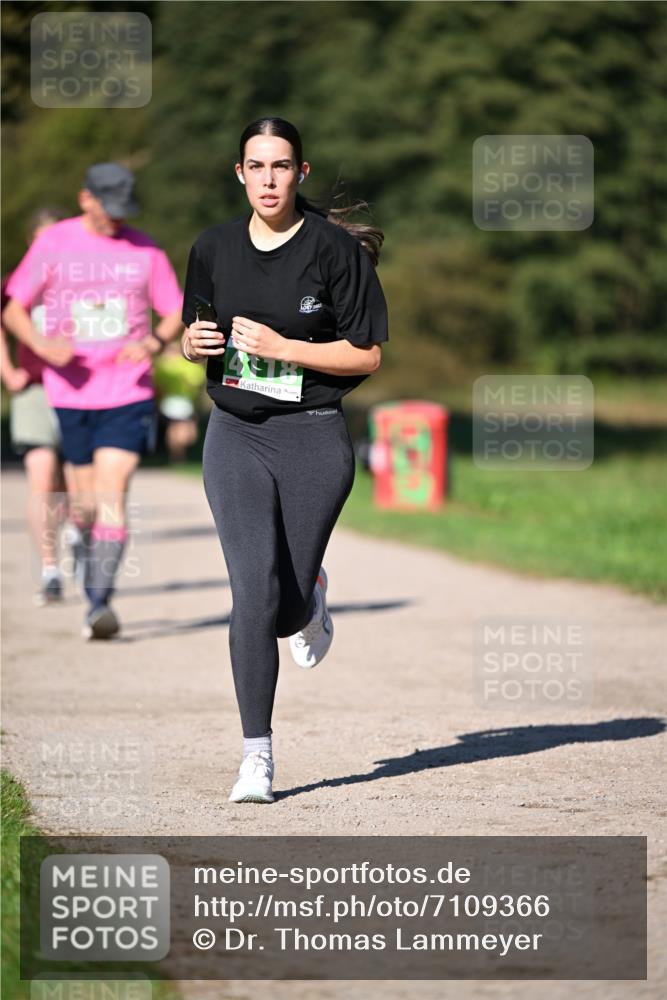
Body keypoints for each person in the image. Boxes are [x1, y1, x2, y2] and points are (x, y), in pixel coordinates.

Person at [181, 116, 388, 804]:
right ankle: (256, 758)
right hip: (235, 433)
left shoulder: (334, 253)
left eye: (280, 167)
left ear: (299, 174)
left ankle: (312, 595)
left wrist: (283, 347)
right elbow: (192, 331)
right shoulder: (211, 247)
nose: (267, 179)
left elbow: (365, 354)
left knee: (284, 605)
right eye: (254, 166)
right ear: (238, 174)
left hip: (313, 434)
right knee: (252, 594)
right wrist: (192, 345)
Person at [3, 163, 184, 639]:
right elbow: (13, 306)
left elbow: (175, 309)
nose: (117, 221)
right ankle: (87, 558)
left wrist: (151, 343)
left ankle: (99, 603)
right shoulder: (55, 243)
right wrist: (41, 346)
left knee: (112, 491)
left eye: (125, 211)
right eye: (109, 210)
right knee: (82, 502)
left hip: (128, 389)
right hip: (70, 391)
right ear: (86, 199)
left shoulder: (145, 249)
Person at [0, 207, 74, 605]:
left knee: (72, 485)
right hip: (34, 388)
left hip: (83, 390)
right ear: (32, 242)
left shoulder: (84, 279)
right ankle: (49, 568)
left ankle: (77, 531)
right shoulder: (17, 283)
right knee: (42, 478)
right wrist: (7, 370)